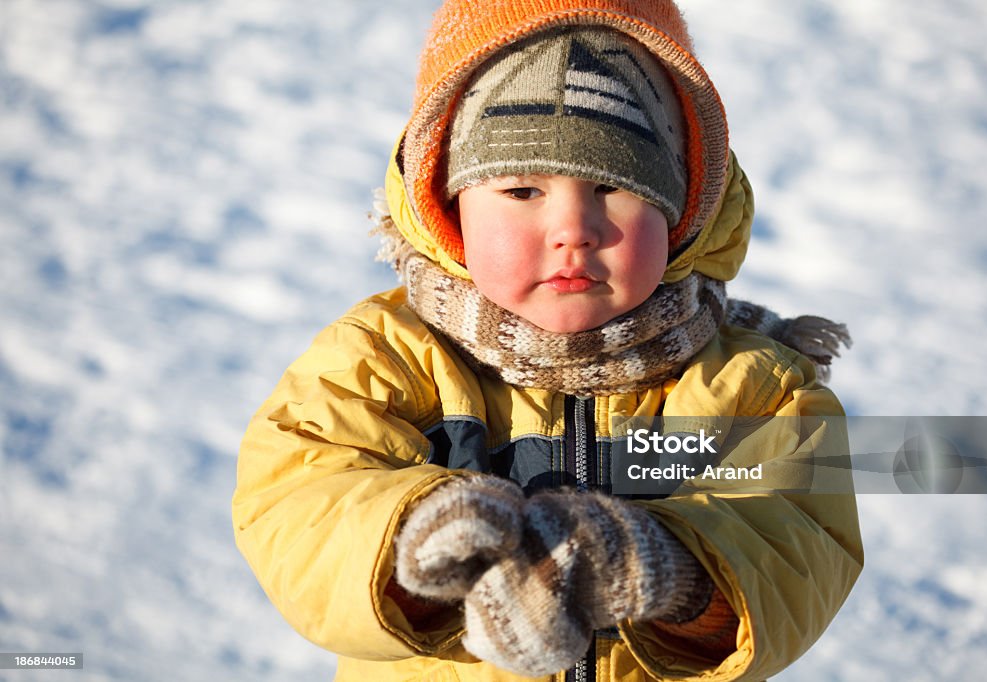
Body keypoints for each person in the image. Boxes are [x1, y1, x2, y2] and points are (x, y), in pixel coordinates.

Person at [232, 1, 863, 680]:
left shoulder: (751, 387)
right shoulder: (382, 360)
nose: (573, 228)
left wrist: (667, 573)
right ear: (447, 210)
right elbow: (297, 503)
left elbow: (797, 542)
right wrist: (411, 545)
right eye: (523, 188)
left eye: (616, 185)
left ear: (683, 210)